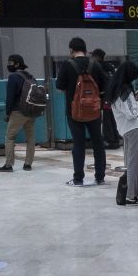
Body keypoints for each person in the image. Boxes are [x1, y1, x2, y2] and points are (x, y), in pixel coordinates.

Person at [56, 37, 108, 186]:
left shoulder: (67, 64)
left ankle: (78, 178)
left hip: (74, 112)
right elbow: (104, 88)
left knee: (78, 144)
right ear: (85, 50)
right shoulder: (95, 64)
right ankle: (100, 177)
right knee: (98, 142)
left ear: (71, 50)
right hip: (94, 110)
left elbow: (59, 87)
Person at [106, 59, 138, 205]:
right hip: (134, 128)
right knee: (134, 163)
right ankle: (131, 194)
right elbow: (131, 113)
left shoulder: (116, 90)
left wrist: (135, 100)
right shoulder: (125, 92)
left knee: (135, 161)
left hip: (126, 129)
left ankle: (137, 192)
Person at [0, 54, 36, 173]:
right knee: (30, 138)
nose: (9, 65)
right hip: (31, 111)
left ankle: (9, 165)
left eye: (10, 63)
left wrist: (8, 113)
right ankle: (28, 164)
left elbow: (10, 97)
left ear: (17, 64)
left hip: (18, 112)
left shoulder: (13, 77)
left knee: (10, 137)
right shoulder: (30, 76)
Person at [92, 48, 120, 149]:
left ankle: (109, 141)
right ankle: (115, 139)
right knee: (112, 118)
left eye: (93, 56)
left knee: (106, 119)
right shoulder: (110, 66)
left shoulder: (98, 67)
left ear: (97, 57)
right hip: (113, 96)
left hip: (104, 97)